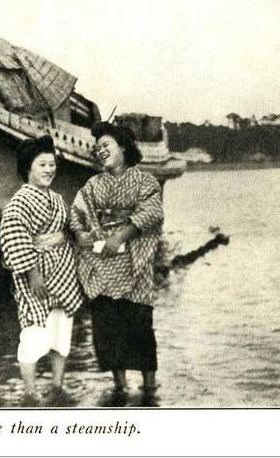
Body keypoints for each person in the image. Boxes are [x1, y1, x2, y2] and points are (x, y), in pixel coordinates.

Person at [71, 121, 164, 397]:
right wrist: (81, 234)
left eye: (106, 145)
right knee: (107, 325)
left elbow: (152, 212)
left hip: (134, 259)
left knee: (140, 323)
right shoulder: (92, 185)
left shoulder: (145, 181)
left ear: (123, 147)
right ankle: (120, 386)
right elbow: (77, 213)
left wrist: (121, 236)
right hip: (102, 261)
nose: (100, 151)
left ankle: (149, 387)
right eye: (97, 147)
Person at [0, 135, 83, 406]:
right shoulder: (19, 203)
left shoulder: (56, 199)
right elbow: (14, 237)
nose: (49, 170)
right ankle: (31, 392)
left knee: (61, 331)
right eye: (42, 165)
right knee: (34, 331)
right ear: (28, 169)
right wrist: (33, 273)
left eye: (52, 164)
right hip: (37, 271)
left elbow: (70, 228)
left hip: (63, 270)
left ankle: (57, 386)